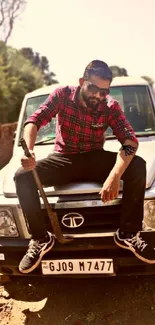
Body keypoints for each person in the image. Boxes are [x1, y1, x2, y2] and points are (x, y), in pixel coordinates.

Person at [14, 60, 155, 274]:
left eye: (104, 91)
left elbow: (130, 141)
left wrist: (114, 176)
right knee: (22, 176)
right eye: (94, 88)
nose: (98, 96)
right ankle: (40, 239)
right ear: (82, 82)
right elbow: (34, 121)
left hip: (94, 158)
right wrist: (29, 151)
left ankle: (128, 234)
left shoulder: (110, 107)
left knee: (137, 166)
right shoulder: (62, 95)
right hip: (64, 158)